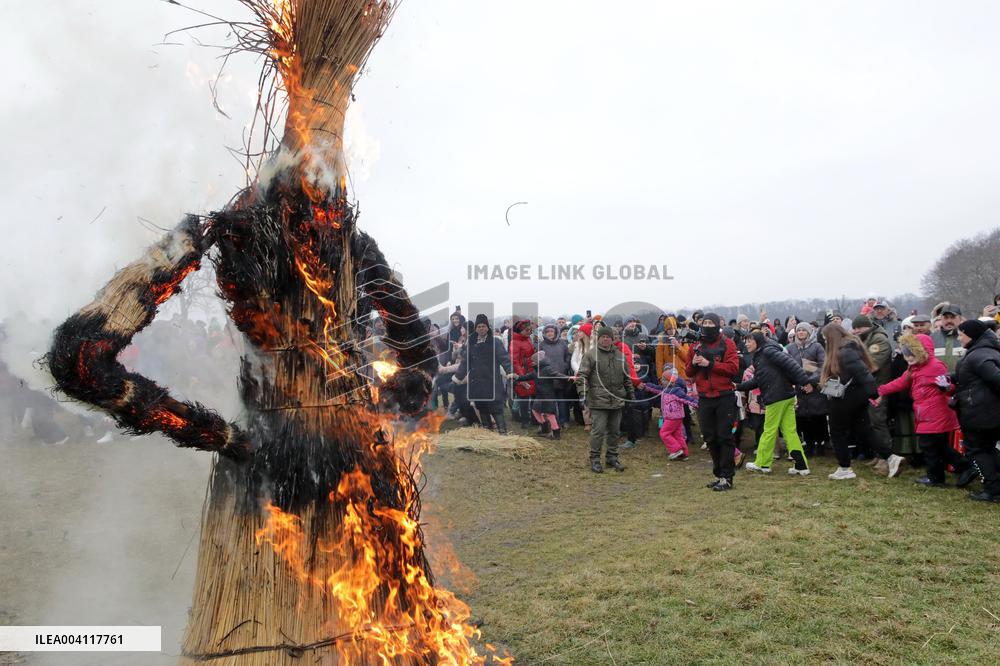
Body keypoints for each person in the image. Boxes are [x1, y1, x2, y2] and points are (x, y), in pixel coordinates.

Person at [875, 333, 974, 488]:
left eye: (911, 354)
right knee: (938, 446)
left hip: (936, 413)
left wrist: (946, 386)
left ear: (921, 351)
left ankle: (940, 475)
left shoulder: (935, 366)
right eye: (906, 354)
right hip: (926, 413)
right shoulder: (914, 368)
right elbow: (900, 382)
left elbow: (951, 388)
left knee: (929, 446)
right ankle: (959, 469)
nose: (908, 358)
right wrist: (880, 390)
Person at [820, 324, 906, 481]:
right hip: (857, 396)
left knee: (837, 431)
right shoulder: (852, 347)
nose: (825, 342)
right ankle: (891, 458)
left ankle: (845, 468)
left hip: (846, 397)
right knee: (864, 431)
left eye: (826, 339)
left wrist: (874, 394)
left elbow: (863, 373)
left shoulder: (844, 352)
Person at [737, 330, 814, 475]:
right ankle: (801, 465)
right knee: (790, 431)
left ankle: (762, 463)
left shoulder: (767, 351)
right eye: (745, 341)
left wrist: (805, 381)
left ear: (758, 341)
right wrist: (738, 387)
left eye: (749, 340)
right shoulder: (762, 354)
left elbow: (791, 364)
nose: (746, 344)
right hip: (785, 396)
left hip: (776, 397)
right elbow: (758, 380)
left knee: (769, 430)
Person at [685, 313, 740, 491]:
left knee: (725, 437)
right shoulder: (696, 345)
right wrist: (694, 363)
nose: (707, 326)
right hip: (704, 396)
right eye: (705, 323)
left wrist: (710, 364)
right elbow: (688, 372)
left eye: (711, 323)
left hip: (724, 395)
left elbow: (733, 368)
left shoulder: (727, 343)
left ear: (717, 325)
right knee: (709, 437)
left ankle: (727, 477)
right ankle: (718, 474)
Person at [575, 322, 635, 473]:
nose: (606, 339)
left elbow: (627, 377)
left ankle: (612, 458)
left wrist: (631, 394)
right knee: (598, 432)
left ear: (613, 339)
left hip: (617, 400)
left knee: (614, 432)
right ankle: (595, 459)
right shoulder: (591, 355)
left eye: (609, 337)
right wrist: (582, 393)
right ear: (599, 338)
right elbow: (582, 376)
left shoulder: (620, 356)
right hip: (598, 400)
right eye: (603, 337)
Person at [951, 319, 1000, 502]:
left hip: (980, 414)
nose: (959, 338)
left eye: (961, 334)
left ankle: (992, 490)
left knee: (977, 450)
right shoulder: (983, 351)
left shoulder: (978, 355)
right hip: (987, 412)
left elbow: (995, 378)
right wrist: (951, 378)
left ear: (971, 335)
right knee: (988, 449)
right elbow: (972, 375)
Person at [454, 314, 512, 433]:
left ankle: (503, 433)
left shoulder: (495, 342)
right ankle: (487, 433)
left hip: (492, 381)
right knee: (482, 407)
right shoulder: (471, 344)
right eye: (479, 326)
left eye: (483, 326)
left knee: (496, 408)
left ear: (487, 328)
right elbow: (465, 362)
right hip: (477, 382)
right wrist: (458, 376)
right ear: (476, 328)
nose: (481, 329)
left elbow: (504, 358)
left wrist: (510, 372)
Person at [852, 314, 895, 471]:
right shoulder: (862, 340)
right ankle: (878, 454)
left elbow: (872, 365)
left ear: (868, 326)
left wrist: (851, 369)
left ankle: (887, 457)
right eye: (854, 328)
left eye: (859, 327)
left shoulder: (879, 340)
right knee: (870, 422)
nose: (856, 331)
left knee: (878, 421)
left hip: (878, 387)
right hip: (867, 387)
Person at [785, 322, 828, 456]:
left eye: (804, 330)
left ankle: (820, 443)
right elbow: (786, 366)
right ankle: (808, 444)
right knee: (803, 418)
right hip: (798, 389)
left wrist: (810, 383)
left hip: (815, 388)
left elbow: (822, 366)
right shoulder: (790, 348)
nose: (801, 332)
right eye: (799, 330)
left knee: (818, 416)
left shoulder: (817, 346)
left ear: (809, 332)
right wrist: (797, 383)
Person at [643, 364, 698, 460]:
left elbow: (688, 399)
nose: (661, 381)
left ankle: (676, 450)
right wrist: (645, 385)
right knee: (678, 435)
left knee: (664, 433)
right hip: (674, 417)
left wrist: (698, 404)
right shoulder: (665, 390)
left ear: (670, 381)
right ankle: (684, 454)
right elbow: (655, 388)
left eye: (664, 380)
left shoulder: (677, 391)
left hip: (673, 417)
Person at [515, 351, 564, 439]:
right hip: (539, 396)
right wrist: (516, 377)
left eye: (534, 361)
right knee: (535, 410)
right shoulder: (535, 371)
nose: (532, 362)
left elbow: (558, 375)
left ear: (539, 361)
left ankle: (556, 434)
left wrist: (570, 378)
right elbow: (525, 377)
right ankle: (544, 429)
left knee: (550, 414)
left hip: (548, 396)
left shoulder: (547, 369)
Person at [538, 323, 572, 427]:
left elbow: (567, 356)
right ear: (544, 333)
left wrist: (565, 365)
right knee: (551, 401)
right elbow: (539, 359)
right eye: (547, 331)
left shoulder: (562, 343)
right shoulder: (542, 345)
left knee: (561, 399)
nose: (549, 333)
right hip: (548, 377)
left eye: (551, 331)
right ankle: (554, 422)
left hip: (561, 375)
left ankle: (564, 420)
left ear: (556, 332)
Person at [509, 319, 536, 429]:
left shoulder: (527, 339)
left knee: (533, 395)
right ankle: (525, 421)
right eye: (527, 330)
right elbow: (515, 362)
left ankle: (534, 419)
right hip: (522, 372)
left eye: (530, 330)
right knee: (523, 397)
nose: (530, 332)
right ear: (521, 331)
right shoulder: (515, 342)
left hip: (531, 371)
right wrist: (522, 378)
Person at [931, 304, 965, 373]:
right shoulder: (931, 338)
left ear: (960, 318)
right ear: (941, 319)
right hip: (938, 379)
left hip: (962, 379)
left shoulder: (968, 337)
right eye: (946, 318)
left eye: (953, 317)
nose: (949, 321)